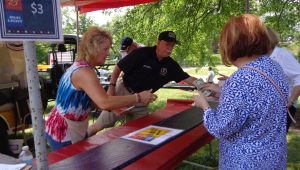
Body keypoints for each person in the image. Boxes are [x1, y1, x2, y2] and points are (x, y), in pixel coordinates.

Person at [193, 14, 288, 169]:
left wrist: (204, 105)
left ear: (231, 44)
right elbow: (258, 101)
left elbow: (221, 128)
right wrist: (224, 93)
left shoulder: (240, 80)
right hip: (274, 157)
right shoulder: (274, 67)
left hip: (246, 163)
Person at [45, 26, 157, 151]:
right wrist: (138, 97)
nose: (108, 53)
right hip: (64, 132)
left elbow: (93, 100)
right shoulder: (85, 72)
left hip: (62, 127)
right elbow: (104, 102)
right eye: (105, 49)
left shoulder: (82, 67)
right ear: (93, 48)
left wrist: (113, 108)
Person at [88, 31, 198, 136]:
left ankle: (131, 153)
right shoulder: (142, 53)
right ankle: (76, 144)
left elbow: (188, 78)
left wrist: (204, 85)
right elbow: (118, 67)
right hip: (123, 93)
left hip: (142, 102)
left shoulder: (171, 65)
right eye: (167, 44)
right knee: (99, 125)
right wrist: (112, 87)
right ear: (158, 42)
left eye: (172, 46)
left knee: (141, 132)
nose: (170, 48)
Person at [267, 27, 300, 133]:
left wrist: (291, 101)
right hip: (267, 108)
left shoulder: (282, 55)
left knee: (274, 144)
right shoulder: (261, 57)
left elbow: (299, 77)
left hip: (284, 108)